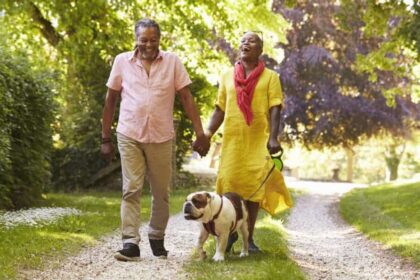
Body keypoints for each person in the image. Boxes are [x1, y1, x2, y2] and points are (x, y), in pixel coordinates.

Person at [101, 18, 210, 261]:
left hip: (161, 136)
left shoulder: (172, 62)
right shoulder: (122, 61)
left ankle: (156, 236)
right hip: (129, 133)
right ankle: (130, 242)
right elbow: (110, 100)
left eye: (153, 40)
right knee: (131, 188)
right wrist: (105, 138)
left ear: (159, 40)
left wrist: (200, 132)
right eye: (143, 40)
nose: (148, 45)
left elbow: (186, 97)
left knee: (161, 191)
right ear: (136, 40)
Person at [199, 31, 293, 253]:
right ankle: (229, 234)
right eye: (242, 41)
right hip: (232, 142)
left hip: (258, 141)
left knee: (253, 191)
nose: (245, 43)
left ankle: (248, 240)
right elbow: (219, 109)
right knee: (229, 187)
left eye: (251, 41)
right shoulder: (226, 76)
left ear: (260, 50)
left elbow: (275, 107)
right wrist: (207, 134)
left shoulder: (271, 77)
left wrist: (273, 138)